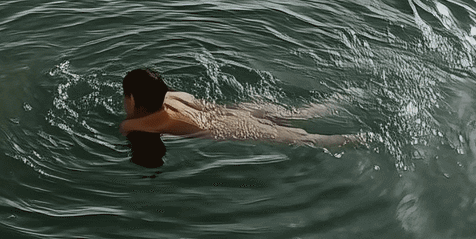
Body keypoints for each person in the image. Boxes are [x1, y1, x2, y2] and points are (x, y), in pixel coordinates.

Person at [120, 68, 356, 167]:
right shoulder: (173, 95)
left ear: (133, 100)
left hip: (230, 127)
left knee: (308, 139)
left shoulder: (134, 124)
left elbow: (134, 136)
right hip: (238, 111)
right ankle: (346, 99)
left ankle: (362, 139)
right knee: (299, 114)